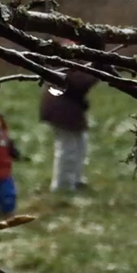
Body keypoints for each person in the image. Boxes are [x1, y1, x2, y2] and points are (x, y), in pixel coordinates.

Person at [39, 63, 98, 193]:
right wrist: (98, 72)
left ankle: (76, 179)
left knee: (80, 143)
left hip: (69, 107)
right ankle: (63, 185)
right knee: (68, 147)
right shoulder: (68, 58)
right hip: (62, 109)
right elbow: (77, 84)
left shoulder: (76, 56)